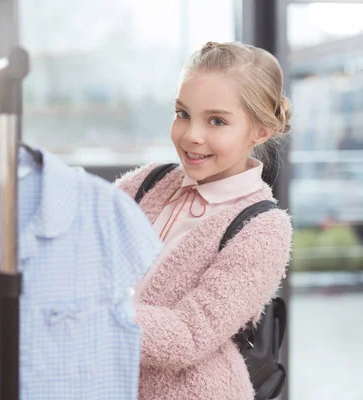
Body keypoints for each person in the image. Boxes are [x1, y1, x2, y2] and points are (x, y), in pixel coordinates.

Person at [115, 41, 293, 400]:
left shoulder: (263, 228)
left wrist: (94, 311)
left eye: (216, 121)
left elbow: (188, 335)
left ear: (260, 131)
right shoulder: (149, 182)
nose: (192, 135)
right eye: (182, 114)